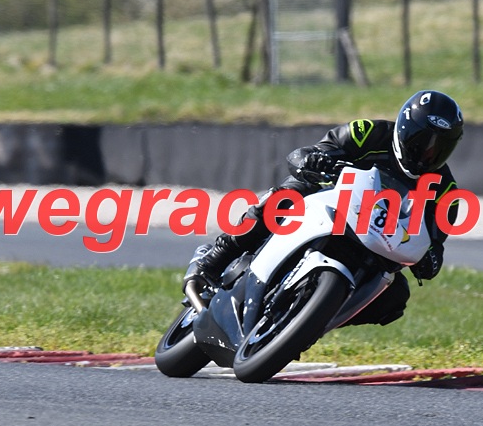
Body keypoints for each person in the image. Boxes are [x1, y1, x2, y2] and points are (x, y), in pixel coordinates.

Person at [184, 89, 465, 327]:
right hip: (331, 203)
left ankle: (309, 325)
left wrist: (429, 260)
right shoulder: (369, 133)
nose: (428, 153)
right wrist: (315, 161)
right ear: (405, 129)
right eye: (421, 142)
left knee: (395, 298)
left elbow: (435, 247)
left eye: (440, 147)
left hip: (379, 240)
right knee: (285, 198)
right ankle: (216, 258)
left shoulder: (446, 191)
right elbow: (306, 154)